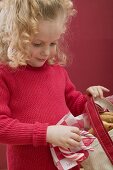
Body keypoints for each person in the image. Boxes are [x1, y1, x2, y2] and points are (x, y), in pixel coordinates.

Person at [0, 0, 110, 170]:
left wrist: (91, 100)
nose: (46, 52)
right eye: (37, 44)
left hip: (70, 164)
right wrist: (47, 134)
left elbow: (75, 104)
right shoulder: (5, 75)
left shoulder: (57, 71)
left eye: (53, 43)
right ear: (13, 35)